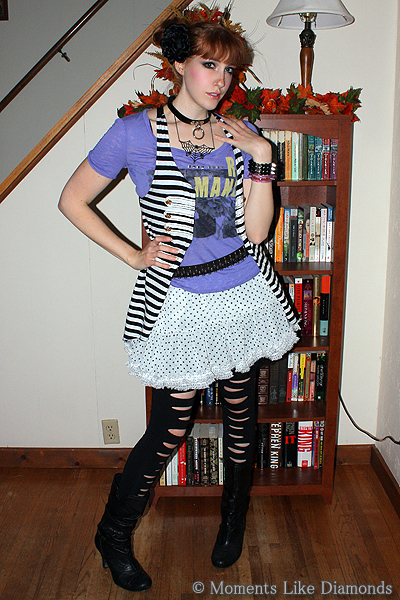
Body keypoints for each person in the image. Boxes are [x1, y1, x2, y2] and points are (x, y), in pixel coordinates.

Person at [59, 7, 300, 593]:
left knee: (241, 416)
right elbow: (72, 200)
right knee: (170, 425)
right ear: (178, 65)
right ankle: (113, 534)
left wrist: (262, 158)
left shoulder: (241, 134)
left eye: (229, 70)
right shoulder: (135, 132)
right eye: (208, 65)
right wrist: (132, 254)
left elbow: (257, 231)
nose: (221, 80)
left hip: (242, 291)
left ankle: (232, 523)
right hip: (178, 298)